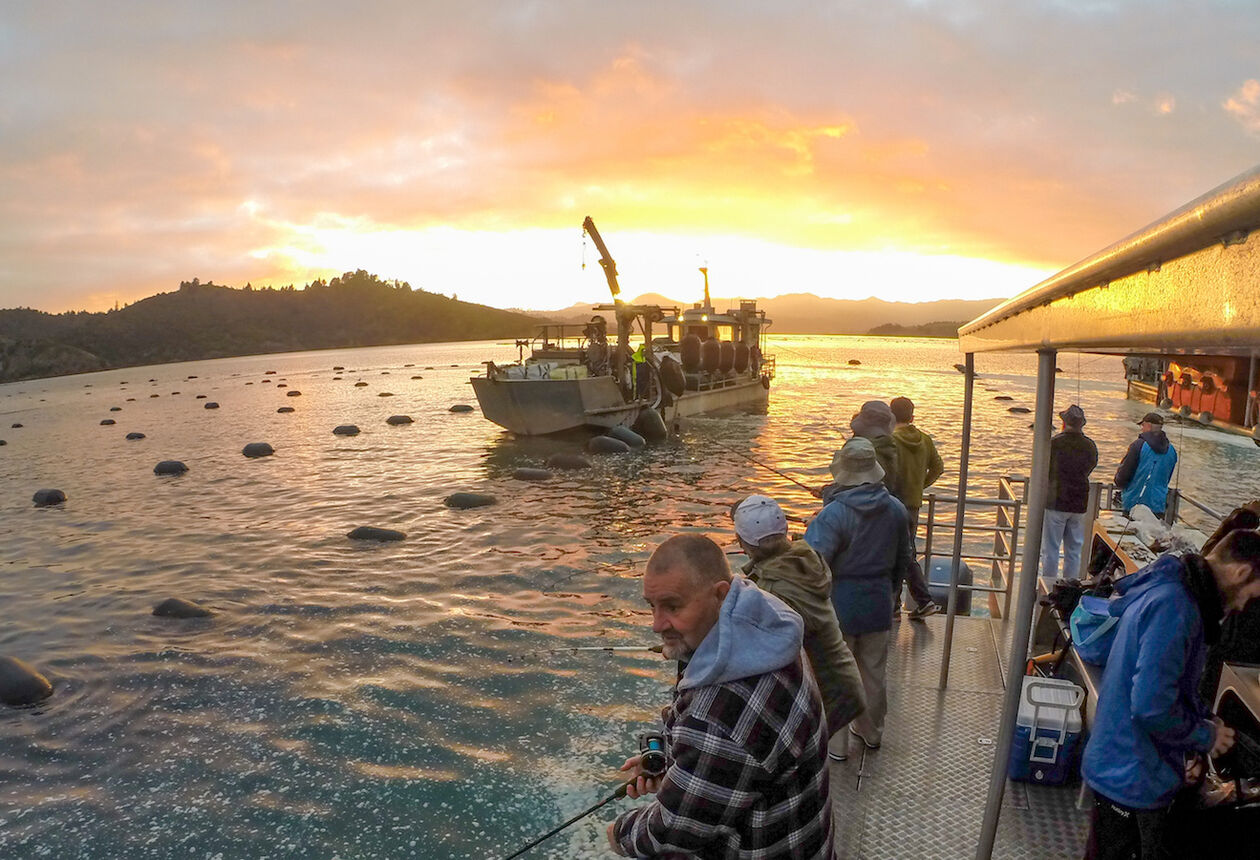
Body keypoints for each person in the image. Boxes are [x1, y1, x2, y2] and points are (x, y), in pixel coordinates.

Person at [607, 534, 833, 859]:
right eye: (652, 606)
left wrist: (620, 833)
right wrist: (677, 763)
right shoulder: (765, 633)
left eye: (672, 606)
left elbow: (669, 835)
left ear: (720, 594)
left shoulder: (722, 714)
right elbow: (740, 757)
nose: (657, 625)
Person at [1081, 529, 1260, 859]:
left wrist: (1201, 721)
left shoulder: (1171, 586)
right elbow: (1151, 706)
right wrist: (1205, 736)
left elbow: (1167, 685)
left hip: (1120, 760)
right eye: (1250, 595)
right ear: (1241, 572)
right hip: (1131, 776)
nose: (1242, 605)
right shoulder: (1176, 610)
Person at [731, 494, 867, 759]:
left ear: (741, 542)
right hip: (844, 681)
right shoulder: (805, 557)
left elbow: (753, 645)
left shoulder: (773, 590)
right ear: (786, 532)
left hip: (828, 694)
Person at [804, 438, 909, 753]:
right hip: (878, 599)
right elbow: (904, 557)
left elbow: (812, 563)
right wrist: (894, 592)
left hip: (839, 602)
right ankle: (872, 731)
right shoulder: (896, 509)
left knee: (835, 676)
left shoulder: (833, 515)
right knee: (873, 671)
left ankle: (836, 746)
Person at [889, 396, 944, 619]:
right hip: (913, 505)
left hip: (892, 504)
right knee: (906, 551)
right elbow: (938, 468)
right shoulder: (925, 439)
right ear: (912, 416)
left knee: (898, 554)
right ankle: (908, 604)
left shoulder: (890, 440)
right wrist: (920, 486)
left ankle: (916, 601)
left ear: (891, 416)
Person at [1041, 404, 1099, 579]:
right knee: (1074, 550)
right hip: (1079, 502)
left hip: (1056, 500)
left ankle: (1049, 585)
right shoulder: (1090, 445)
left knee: (1051, 548)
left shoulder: (1055, 443)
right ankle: (1069, 585)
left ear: (1064, 423)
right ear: (1082, 424)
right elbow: (1091, 467)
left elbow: (1045, 469)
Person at [1114, 411, 1178, 517]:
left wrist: (1119, 482)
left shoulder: (1138, 445)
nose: (1142, 429)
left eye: (1142, 425)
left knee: (1131, 531)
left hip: (1134, 504)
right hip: (1158, 506)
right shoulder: (1172, 450)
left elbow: (1124, 475)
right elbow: (1167, 478)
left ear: (1148, 425)